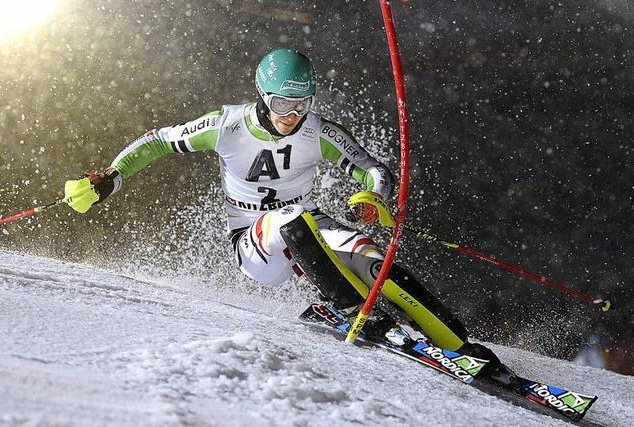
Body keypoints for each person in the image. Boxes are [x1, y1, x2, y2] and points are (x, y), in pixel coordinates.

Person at [63, 48, 508, 379]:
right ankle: (355, 310)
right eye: (281, 105)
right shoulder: (226, 125)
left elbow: (374, 170)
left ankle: (459, 341)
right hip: (255, 246)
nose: (291, 117)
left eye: (302, 105)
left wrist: (373, 198)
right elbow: (160, 140)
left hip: (310, 225)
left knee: (370, 257)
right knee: (288, 218)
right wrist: (111, 177)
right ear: (262, 95)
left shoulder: (317, 131)